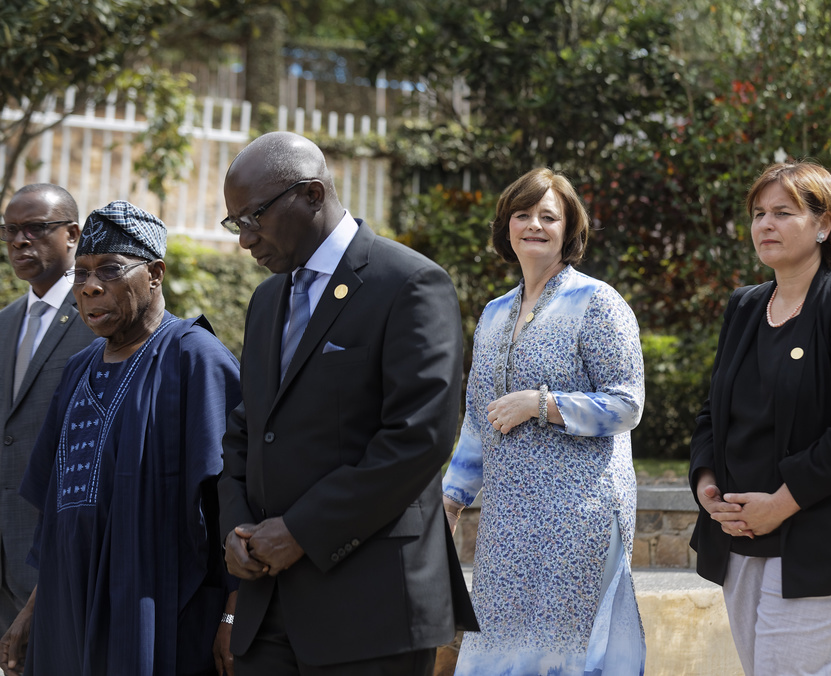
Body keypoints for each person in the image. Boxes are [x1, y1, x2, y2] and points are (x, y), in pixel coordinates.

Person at [218, 131, 475, 676]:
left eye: (253, 217)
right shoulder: (267, 300)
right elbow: (247, 431)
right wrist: (236, 530)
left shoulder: (409, 283)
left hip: (370, 610)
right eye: (235, 222)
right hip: (269, 607)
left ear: (311, 194)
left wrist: (302, 532)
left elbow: (418, 439)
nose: (245, 239)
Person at [688, 162, 831, 676]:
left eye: (783, 213)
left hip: (826, 532)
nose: (765, 224)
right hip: (743, 533)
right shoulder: (745, 307)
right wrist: (706, 484)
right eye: (758, 214)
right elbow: (713, 412)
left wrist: (781, 504)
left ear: (823, 225)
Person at [0, 201, 241, 676]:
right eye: (81, 274)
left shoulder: (195, 358)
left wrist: (236, 611)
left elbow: (235, 499)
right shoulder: (78, 369)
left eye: (110, 270)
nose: (90, 287)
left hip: (158, 615)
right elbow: (57, 514)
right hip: (67, 614)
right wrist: (31, 612)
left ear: (154, 274)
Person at [441, 167, 646, 675]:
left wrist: (542, 404)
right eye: (522, 214)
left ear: (569, 229)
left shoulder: (598, 303)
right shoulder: (492, 314)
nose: (534, 224)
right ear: (506, 227)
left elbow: (627, 404)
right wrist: (452, 497)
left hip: (580, 512)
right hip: (509, 516)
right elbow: (478, 416)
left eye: (548, 216)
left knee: (564, 658)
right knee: (495, 650)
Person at [0, 185, 94, 638]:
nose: (20, 241)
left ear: (72, 234)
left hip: (60, 558)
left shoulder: (99, 315)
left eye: (35, 228)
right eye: (10, 231)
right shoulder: (5, 322)